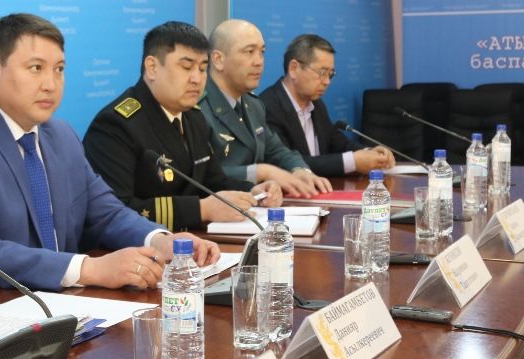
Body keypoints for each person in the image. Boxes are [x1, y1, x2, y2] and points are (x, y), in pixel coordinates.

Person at [0, 13, 221, 292]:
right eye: (36, 68)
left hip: (71, 307)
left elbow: (107, 213)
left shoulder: (61, 135)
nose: (51, 84)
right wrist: (89, 269)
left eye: (59, 69)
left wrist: (161, 241)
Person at [84, 21, 282, 231]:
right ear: (152, 68)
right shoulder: (116, 125)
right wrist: (201, 209)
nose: (197, 79)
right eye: (186, 67)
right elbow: (115, 212)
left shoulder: (193, 117)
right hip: (141, 246)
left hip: (193, 241)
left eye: (202, 68)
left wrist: (253, 192)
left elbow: (213, 182)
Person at [198, 19, 333, 198]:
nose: (259, 61)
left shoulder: (254, 104)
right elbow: (201, 175)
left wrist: (300, 170)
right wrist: (261, 172)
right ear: (218, 60)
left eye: (262, 52)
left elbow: (276, 150)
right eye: (249, 52)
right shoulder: (196, 107)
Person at [259, 34, 395, 176]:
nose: (327, 82)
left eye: (330, 74)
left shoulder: (317, 105)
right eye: (322, 72)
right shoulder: (267, 107)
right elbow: (289, 164)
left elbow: (338, 143)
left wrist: (370, 153)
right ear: (294, 68)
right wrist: (353, 161)